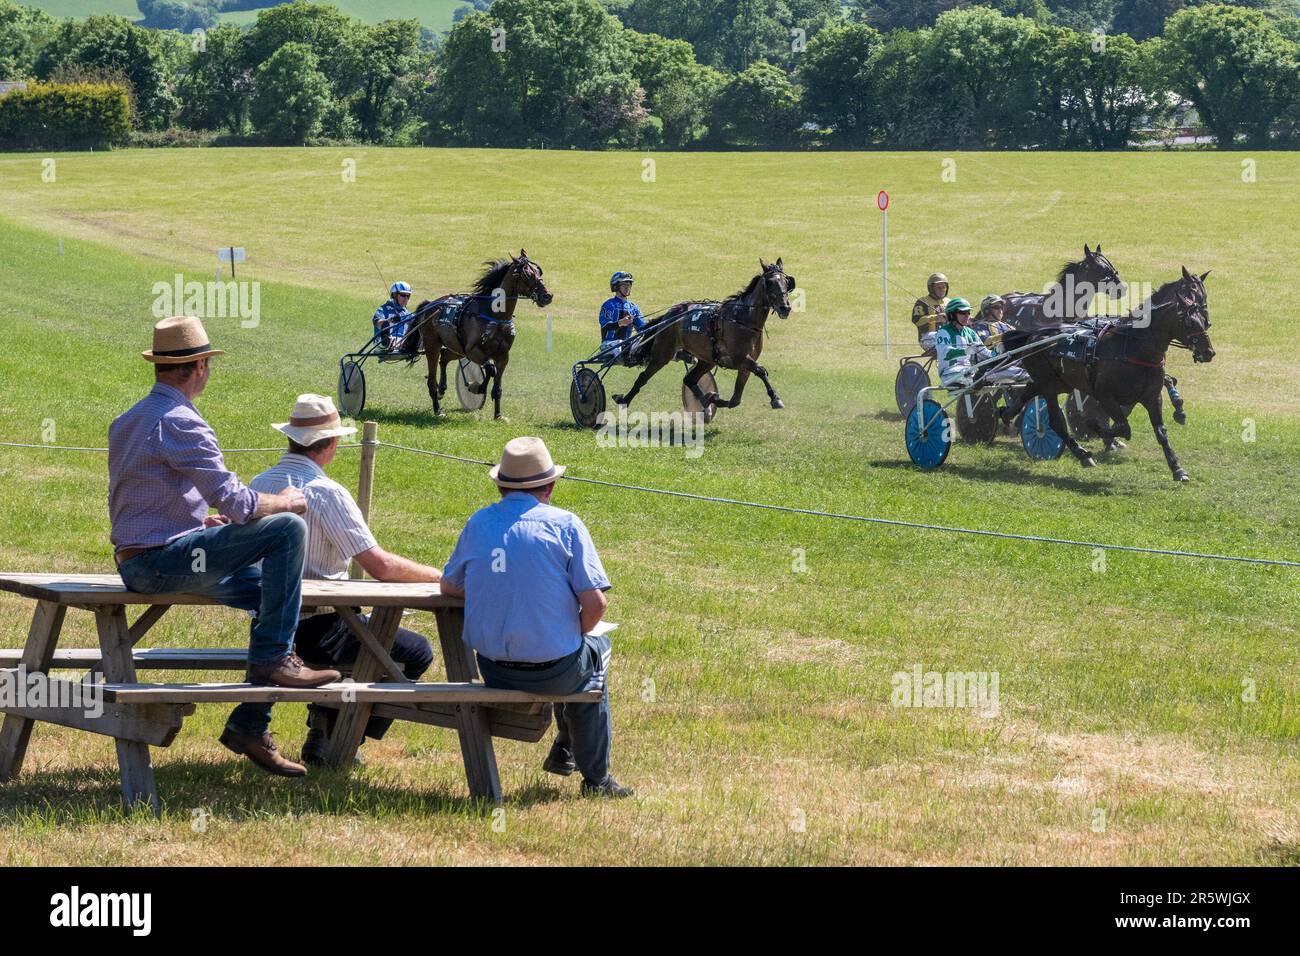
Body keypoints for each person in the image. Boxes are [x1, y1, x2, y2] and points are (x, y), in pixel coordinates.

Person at [108, 316, 340, 778]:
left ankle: (250, 724)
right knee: (288, 530)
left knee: (277, 595)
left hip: (143, 558)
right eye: (208, 364)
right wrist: (287, 501)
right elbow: (238, 502)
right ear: (198, 367)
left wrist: (196, 522)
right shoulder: (182, 422)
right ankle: (276, 664)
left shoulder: (129, 419)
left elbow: (144, 498)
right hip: (161, 563)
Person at [248, 394, 442, 766]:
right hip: (323, 629)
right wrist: (441, 577)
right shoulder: (327, 492)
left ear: (290, 437)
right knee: (415, 652)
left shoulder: (259, 483)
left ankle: (327, 722)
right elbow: (380, 566)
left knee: (377, 644)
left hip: (267, 631)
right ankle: (341, 735)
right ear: (332, 444)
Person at [440, 437, 632, 799]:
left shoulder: (479, 523)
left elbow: (450, 586)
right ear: (551, 486)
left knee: (578, 657)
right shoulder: (567, 525)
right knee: (596, 656)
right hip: (556, 668)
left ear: (499, 484)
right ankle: (595, 778)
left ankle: (566, 744)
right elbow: (596, 605)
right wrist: (574, 632)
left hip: (493, 667)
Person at [598, 271, 647, 365]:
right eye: (624, 285)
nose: (627, 287)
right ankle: (627, 358)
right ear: (616, 286)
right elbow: (605, 326)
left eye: (629, 285)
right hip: (608, 345)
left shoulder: (634, 307)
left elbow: (642, 328)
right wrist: (620, 323)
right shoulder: (608, 305)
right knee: (620, 343)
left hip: (626, 344)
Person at [911, 272, 950, 351]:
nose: (941, 290)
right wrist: (935, 318)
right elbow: (917, 321)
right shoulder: (922, 301)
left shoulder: (950, 302)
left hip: (948, 336)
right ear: (931, 288)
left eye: (943, 287)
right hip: (928, 338)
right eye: (938, 287)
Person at [374, 281, 413, 350]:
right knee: (388, 338)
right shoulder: (383, 309)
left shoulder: (407, 313)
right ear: (394, 295)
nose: (406, 298)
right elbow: (377, 323)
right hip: (382, 343)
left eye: (408, 296)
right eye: (403, 295)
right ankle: (387, 342)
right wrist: (390, 320)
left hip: (402, 342)